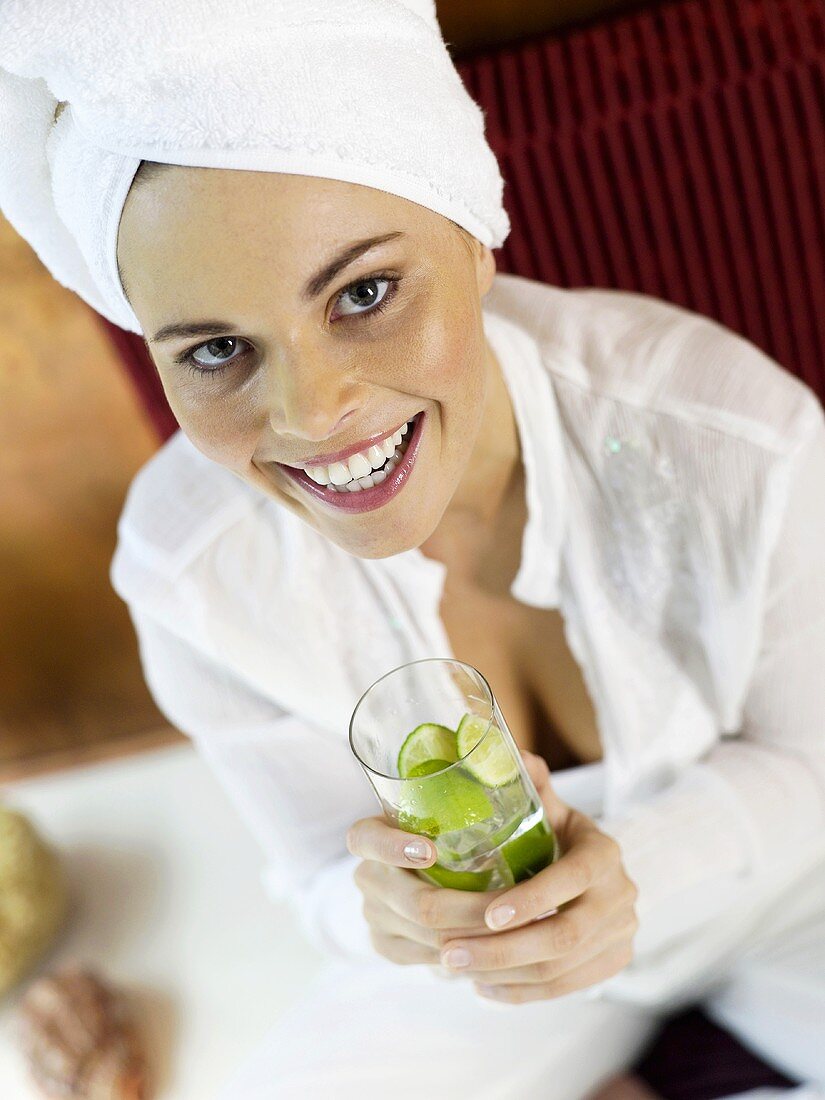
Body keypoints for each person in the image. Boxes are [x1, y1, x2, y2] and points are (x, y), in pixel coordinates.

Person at [1, 2, 823, 1097]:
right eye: (216, 349)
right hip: (473, 968)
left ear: (474, 237)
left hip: (785, 891)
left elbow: (812, 766)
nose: (314, 413)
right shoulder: (188, 576)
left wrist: (643, 870)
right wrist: (382, 911)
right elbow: (313, 874)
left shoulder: (738, 438)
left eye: (365, 292)